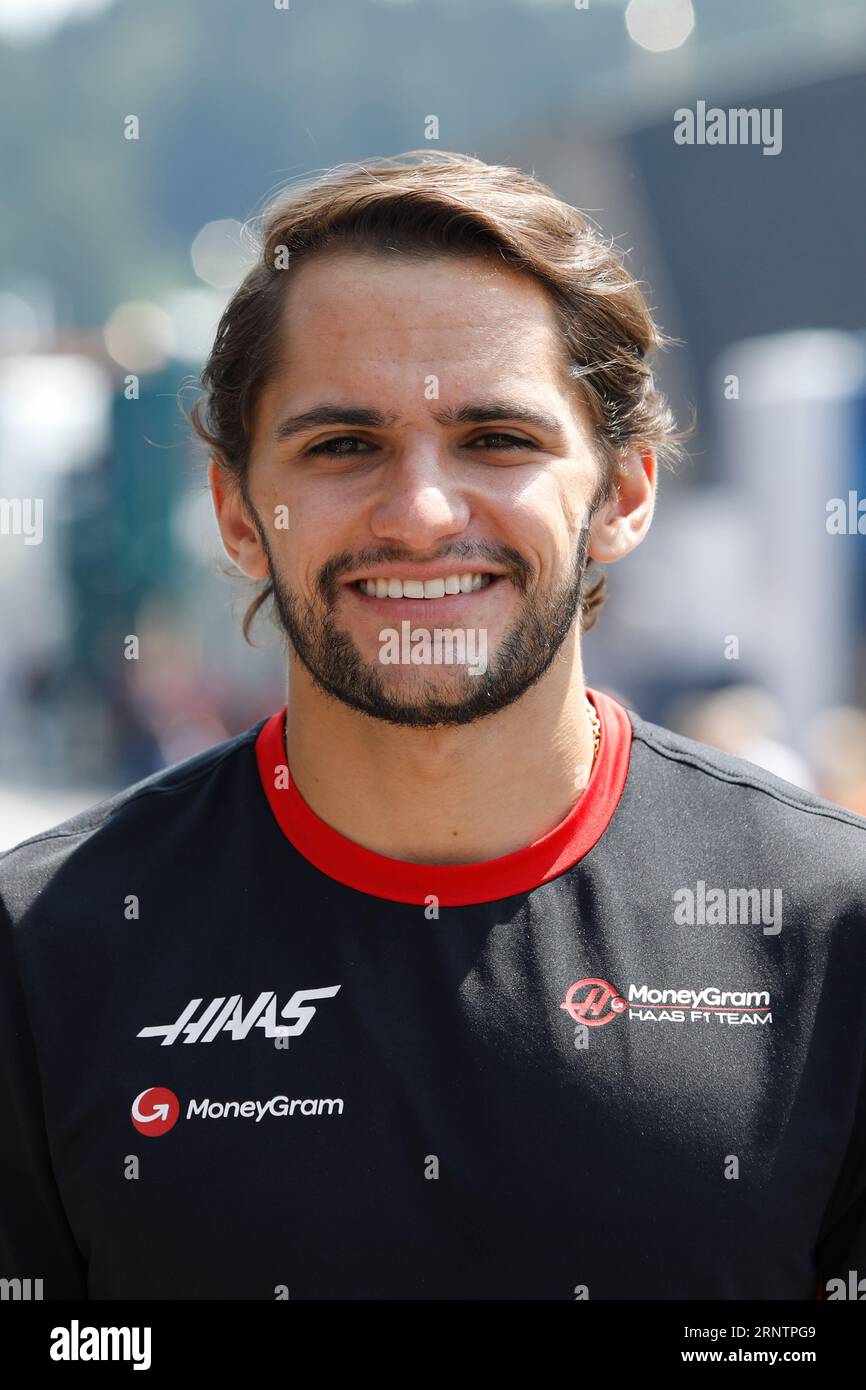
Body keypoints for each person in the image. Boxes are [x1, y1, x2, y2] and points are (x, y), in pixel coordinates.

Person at [1, 151, 864, 1301]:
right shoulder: (42, 953)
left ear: (621, 493)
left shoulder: (827, 931)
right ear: (237, 514)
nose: (418, 514)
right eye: (342, 446)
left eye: (496, 439)